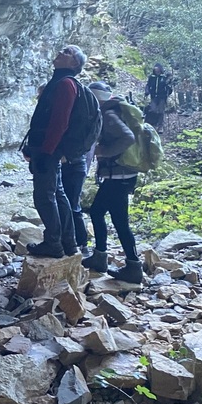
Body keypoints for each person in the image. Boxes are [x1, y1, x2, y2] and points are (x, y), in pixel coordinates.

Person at [21, 45, 90, 258]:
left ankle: (54, 243)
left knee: (44, 196)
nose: (60, 52)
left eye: (67, 52)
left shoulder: (66, 85)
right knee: (58, 194)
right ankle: (68, 243)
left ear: (74, 64)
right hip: (47, 148)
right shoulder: (61, 82)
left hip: (47, 150)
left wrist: (46, 151)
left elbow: (59, 122)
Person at [82, 82, 142, 283]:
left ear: (96, 99)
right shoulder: (111, 111)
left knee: (102, 214)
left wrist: (104, 152)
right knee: (117, 220)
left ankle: (106, 259)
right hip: (120, 175)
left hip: (119, 176)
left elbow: (128, 137)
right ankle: (127, 264)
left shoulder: (108, 115)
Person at [145, 63, 171, 129]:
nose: (157, 71)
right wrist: (147, 91)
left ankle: (160, 126)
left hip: (162, 97)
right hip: (153, 96)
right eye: (156, 70)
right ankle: (154, 123)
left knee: (161, 111)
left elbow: (169, 87)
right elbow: (148, 85)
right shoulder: (152, 77)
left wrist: (167, 92)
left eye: (158, 70)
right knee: (153, 109)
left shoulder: (164, 77)